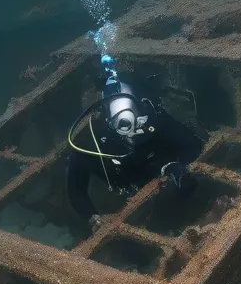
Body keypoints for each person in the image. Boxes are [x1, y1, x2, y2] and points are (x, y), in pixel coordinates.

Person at [66, 71, 204, 227]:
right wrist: (94, 219)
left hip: (172, 183)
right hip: (130, 189)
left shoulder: (154, 119)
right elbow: (76, 191)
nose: (130, 134)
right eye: (123, 130)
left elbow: (192, 144)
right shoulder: (90, 144)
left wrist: (179, 168)